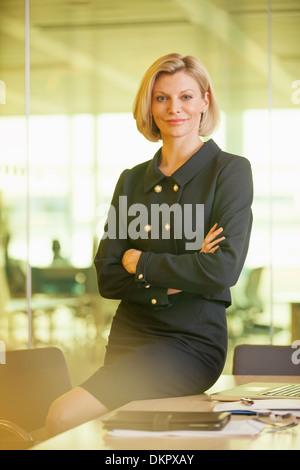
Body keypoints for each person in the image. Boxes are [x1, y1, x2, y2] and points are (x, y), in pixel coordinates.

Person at [46, 53, 253, 437]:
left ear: (205, 101)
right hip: (130, 335)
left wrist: (138, 260)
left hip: (190, 344)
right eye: (162, 98)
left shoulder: (229, 171)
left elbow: (222, 270)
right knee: (121, 436)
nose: (175, 108)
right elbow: (107, 277)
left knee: (61, 415)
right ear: (150, 106)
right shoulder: (130, 181)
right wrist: (185, 272)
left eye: (187, 97)